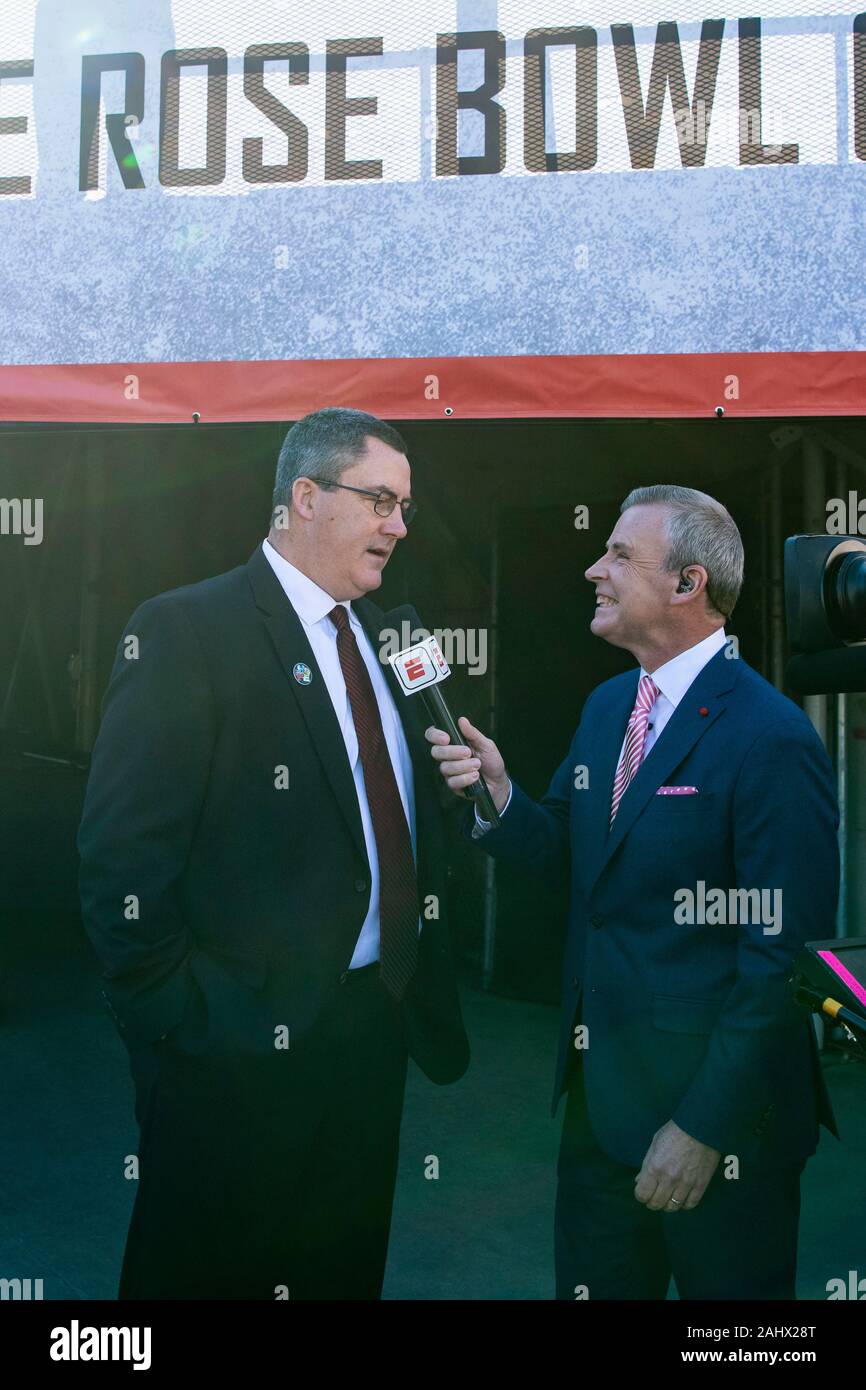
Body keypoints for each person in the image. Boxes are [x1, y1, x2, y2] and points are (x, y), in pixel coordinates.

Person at [78, 406, 469, 1300]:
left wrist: (463, 793)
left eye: (405, 507)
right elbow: (119, 860)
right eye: (381, 500)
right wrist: (183, 1025)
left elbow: (395, 812)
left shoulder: (396, 637)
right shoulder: (186, 631)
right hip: (231, 1051)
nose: (400, 526)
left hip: (375, 1026)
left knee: (340, 1275)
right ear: (305, 496)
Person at [427, 484, 839, 1300]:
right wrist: (501, 800)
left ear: (688, 585)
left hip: (721, 1132)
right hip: (599, 1111)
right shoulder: (608, 706)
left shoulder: (773, 738)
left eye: (619, 554)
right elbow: (576, 858)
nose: (593, 569)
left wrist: (701, 1128)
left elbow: (780, 962)